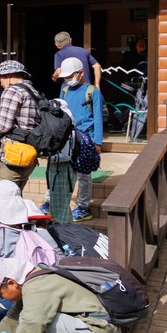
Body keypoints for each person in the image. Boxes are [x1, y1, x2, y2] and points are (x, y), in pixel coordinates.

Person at [0, 60, 40, 192]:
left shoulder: (12, 91)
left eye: (0, 78)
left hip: (15, 154)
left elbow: (4, 126)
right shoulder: (33, 91)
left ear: (8, 75)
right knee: (14, 196)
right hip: (29, 153)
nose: (0, 82)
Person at [58, 56, 104, 222]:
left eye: (71, 75)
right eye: (66, 76)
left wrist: (97, 142)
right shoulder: (64, 90)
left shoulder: (92, 91)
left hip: (86, 138)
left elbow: (98, 117)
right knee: (63, 171)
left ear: (81, 73)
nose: (68, 79)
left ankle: (84, 207)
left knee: (84, 175)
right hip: (67, 137)